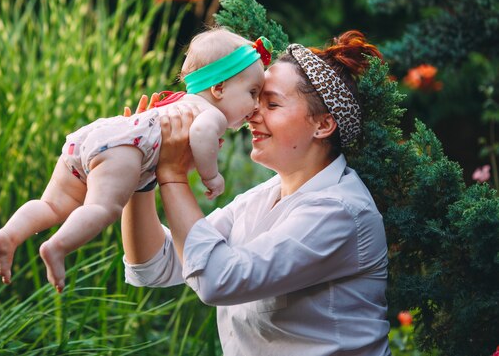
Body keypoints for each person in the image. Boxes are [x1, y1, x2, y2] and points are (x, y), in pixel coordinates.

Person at [122, 30, 392, 355]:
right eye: (254, 98)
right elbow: (156, 265)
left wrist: (173, 174)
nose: (251, 113)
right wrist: (143, 175)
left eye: (272, 103)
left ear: (322, 125)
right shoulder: (261, 198)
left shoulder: (340, 211)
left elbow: (218, 279)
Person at [0, 27, 271, 292]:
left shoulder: (175, 102)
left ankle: (9, 235)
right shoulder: (210, 114)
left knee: (52, 204)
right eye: (253, 93)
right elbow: (201, 134)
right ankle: (58, 247)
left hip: (95, 136)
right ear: (219, 88)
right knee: (102, 208)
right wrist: (212, 176)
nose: (257, 106)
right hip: (123, 149)